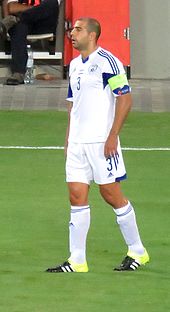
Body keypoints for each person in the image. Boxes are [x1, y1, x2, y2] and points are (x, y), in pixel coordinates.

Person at [46, 17, 149, 273]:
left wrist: (113, 135)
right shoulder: (74, 65)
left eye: (78, 29)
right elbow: (73, 104)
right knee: (76, 196)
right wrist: (69, 140)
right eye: (73, 29)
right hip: (78, 144)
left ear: (92, 35)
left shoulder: (108, 62)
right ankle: (77, 259)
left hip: (102, 143)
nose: (72, 33)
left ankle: (137, 250)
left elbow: (125, 100)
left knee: (111, 194)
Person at [0, 0, 61, 85]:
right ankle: (18, 73)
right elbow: (11, 8)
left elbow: (51, 8)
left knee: (52, 3)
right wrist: (37, 9)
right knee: (18, 27)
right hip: (23, 25)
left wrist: (27, 11)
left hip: (42, 25)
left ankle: (16, 19)